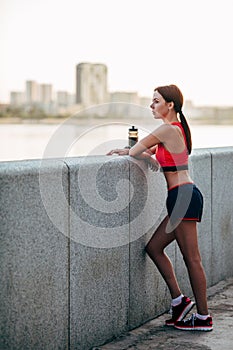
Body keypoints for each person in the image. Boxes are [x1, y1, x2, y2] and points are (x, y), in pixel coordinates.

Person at [107, 84, 213, 331]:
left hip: (183, 196)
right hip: (181, 196)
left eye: (156, 101)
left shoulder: (167, 128)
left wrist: (133, 151)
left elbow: (136, 150)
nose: (151, 105)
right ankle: (179, 301)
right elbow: (149, 152)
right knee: (154, 248)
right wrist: (139, 153)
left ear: (170, 105)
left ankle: (204, 317)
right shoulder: (176, 130)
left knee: (192, 259)